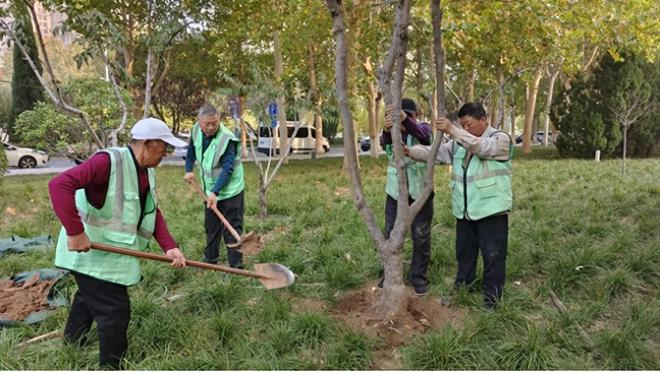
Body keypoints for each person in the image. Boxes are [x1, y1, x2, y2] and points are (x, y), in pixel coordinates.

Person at [49, 118, 188, 369]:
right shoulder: (107, 162)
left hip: (111, 255)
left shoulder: (146, 170)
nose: (166, 153)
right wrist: (75, 231)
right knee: (114, 311)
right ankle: (112, 366)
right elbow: (59, 185)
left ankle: (72, 343)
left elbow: (151, 211)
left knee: (89, 298)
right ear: (147, 143)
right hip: (88, 254)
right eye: (164, 147)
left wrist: (170, 245)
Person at [406, 102, 513, 309]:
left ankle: (492, 300)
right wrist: (410, 151)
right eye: (462, 125)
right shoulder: (458, 143)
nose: (465, 129)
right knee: (464, 254)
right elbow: (435, 154)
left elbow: (481, 148)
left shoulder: (500, 139)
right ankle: (464, 288)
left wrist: (453, 130)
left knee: (493, 257)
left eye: (468, 124)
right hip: (465, 211)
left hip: (491, 211)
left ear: (483, 119)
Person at [381, 98, 434, 296]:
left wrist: (405, 120)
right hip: (395, 193)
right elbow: (385, 145)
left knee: (421, 236)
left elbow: (425, 136)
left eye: (407, 116)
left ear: (415, 116)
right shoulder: (390, 134)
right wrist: (387, 130)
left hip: (420, 193)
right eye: (399, 118)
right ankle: (391, 274)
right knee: (391, 235)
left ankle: (418, 277)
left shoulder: (423, 128)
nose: (402, 122)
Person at [183, 104, 245, 268]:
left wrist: (215, 193)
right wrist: (188, 169)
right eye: (207, 124)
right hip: (209, 190)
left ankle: (236, 266)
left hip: (231, 191)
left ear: (219, 120)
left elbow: (228, 168)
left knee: (231, 229)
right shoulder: (196, 130)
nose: (211, 127)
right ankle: (210, 260)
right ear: (199, 121)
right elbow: (191, 150)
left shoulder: (227, 138)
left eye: (215, 123)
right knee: (211, 227)